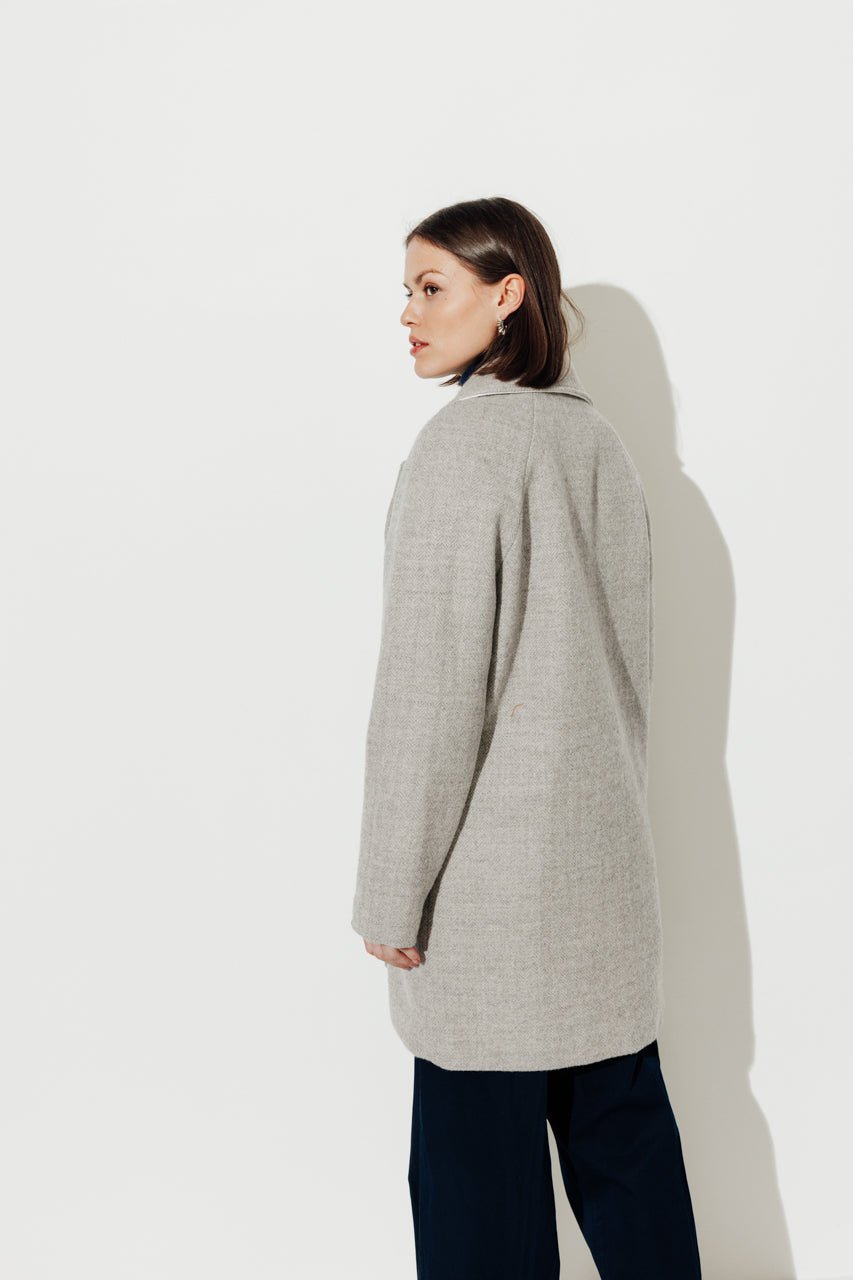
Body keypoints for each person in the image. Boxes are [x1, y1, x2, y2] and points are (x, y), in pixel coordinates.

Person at [350, 196, 702, 1279]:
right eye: (406, 290)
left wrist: (390, 893)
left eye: (431, 287)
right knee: (631, 1177)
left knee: (479, 1216)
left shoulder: (465, 448)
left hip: (488, 907)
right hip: (603, 886)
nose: (407, 313)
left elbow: (431, 695)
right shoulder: (596, 442)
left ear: (507, 296)